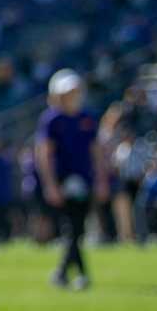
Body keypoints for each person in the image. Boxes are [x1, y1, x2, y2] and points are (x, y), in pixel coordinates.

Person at [37, 70, 102, 290]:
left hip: (84, 179)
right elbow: (44, 153)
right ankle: (78, 274)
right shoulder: (52, 120)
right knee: (73, 228)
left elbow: (96, 151)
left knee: (76, 229)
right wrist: (51, 184)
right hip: (63, 180)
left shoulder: (87, 118)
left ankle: (64, 273)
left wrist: (101, 178)